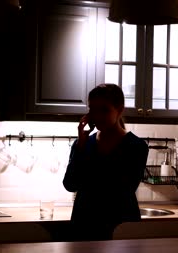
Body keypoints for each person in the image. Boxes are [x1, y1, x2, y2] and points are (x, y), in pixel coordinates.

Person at [63, 83, 149, 241]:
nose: (97, 116)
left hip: (121, 226)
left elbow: (123, 189)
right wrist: (81, 145)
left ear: (120, 110)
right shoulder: (82, 144)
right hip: (84, 225)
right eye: (92, 110)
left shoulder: (136, 146)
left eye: (104, 110)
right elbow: (70, 184)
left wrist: (89, 176)